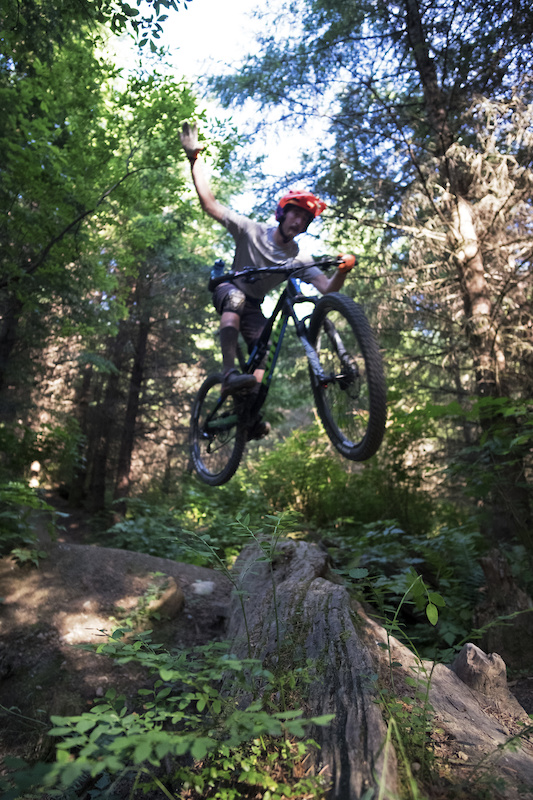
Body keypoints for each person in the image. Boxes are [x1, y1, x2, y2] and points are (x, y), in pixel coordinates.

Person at [180, 122, 354, 438]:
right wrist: (194, 159)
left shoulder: (298, 258)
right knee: (236, 299)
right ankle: (228, 373)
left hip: (254, 305)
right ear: (282, 213)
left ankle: (247, 416)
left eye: (305, 219)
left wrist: (340, 272)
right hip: (228, 287)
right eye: (295, 213)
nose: (299, 221)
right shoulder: (251, 230)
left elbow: (327, 289)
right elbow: (210, 204)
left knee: (263, 352)